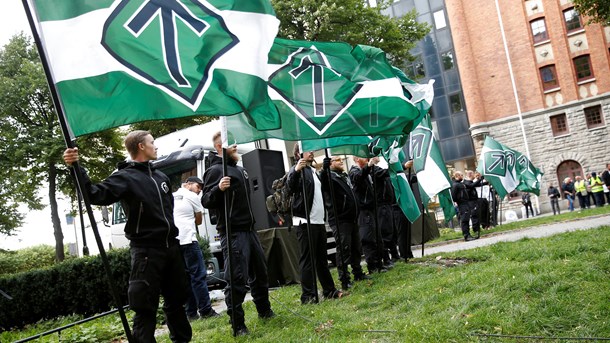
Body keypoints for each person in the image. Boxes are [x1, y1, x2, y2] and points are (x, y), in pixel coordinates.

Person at [63, 131, 192, 343]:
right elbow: (94, 194)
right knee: (145, 308)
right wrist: (76, 168)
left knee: (176, 301)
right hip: (146, 252)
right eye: (152, 143)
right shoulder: (125, 177)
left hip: (171, 248)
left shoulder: (161, 177)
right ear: (141, 146)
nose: (156, 146)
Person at [201, 132, 274, 336]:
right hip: (233, 233)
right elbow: (206, 200)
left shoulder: (240, 170)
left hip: (250, 230)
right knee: (237, 278)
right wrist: (218, 189)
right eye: (230, 144)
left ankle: (265, 310)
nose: (235, 146)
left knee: (260, 273)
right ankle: (238, 324)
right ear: (218, 147)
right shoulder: (215, 171)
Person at [287, 147, 344, 304]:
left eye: (312, 150)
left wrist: (325, 170)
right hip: (305, 222)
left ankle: (329, 291)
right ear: (299, 154)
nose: (311, 152)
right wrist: (295, 171)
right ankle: (308, 296)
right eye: (308, 150)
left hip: (318, 222)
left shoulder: (312, 171)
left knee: (321, 260)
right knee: (308, 261)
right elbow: (290, 187)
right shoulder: (298, 170)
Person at [320, 156, 370, 291]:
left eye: (341, 159)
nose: (341, 161)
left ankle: (358, 273)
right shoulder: (330, 177)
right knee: (344, 249)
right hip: (340, 219)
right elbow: (323, 181)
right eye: (337, 160)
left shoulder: (343, 176)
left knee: (355, 247)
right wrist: (324, 169)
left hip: (352, 218)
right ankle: (344, 280)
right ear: (330, 163)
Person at [173, 176, 218, 321]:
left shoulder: (172, 196)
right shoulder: (192, 196)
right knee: (198, 276)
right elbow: (199, 220)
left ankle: (191, 313)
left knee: (185, 279)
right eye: (198, 187)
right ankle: (206, 310)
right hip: (189, 240)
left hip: (175, 242)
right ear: (188, 184)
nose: (199, 191)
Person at [349, 156, 386, 273]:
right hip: (364, 210)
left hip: (372, 208)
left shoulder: (367, 171)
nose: (366, 158)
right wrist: (369, 166)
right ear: (356, 159)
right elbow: (359, 178)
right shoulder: (354, 171)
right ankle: (372, 266)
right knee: (368, 238)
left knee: (377, 237)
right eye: (363, 156)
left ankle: (380, 263)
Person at [369, 157, 398, 269]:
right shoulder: (374, 170)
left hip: (387, 204)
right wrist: (401, 167)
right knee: (385, 232)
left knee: (392, 231)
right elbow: (385, 173)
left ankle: (395, 254)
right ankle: (386, 258)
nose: (378, 158)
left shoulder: (377, 169)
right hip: (381, 206)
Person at [451, 171, 481, 241]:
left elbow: (471, 185)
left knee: (467, 219)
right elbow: (454, 196)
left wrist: (479, 180)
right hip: (462, 204)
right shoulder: (455, 185)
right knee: (464, 220)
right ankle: (466, 235)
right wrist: (460, 200)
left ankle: (468, 234)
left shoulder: (461, 184)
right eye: (461, 175)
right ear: (457, 176)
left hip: (466, 203)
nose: (462, 176)